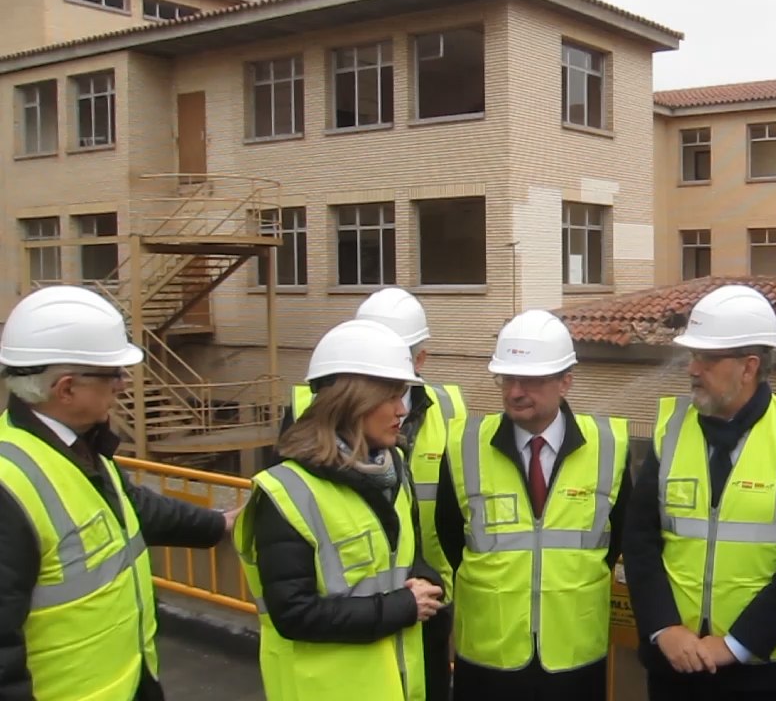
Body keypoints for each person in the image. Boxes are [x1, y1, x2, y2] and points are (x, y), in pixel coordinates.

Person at [0, 285, 238, 701]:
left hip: (131, 682)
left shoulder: (73, 445)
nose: (125, 384)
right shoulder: (10, 485)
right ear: (67, 388)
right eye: (113, 374)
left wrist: (216, 524)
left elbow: (128, 507)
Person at [623, 284, 776, 701]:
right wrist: (664, 628)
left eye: (707, 357)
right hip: (674, 663)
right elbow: (639, 541)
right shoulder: (670, 428)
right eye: (692, 355)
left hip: (762, 673)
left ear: (749, 367)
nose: (692, 368)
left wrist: (735, 644)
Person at [234, 319, 446, 701]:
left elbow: (405, 560)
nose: (402, 410)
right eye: (391, 397)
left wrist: (428, 583)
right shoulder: (285, 492)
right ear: (351, 402)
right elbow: (293, 613)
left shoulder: (393, 468)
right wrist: (401, 607)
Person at [434, 309, 632, 701]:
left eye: (530, 379)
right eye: (507, 378)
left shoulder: (609, 447)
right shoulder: (463, 445)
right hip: (489, 657)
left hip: (574, 656)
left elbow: (616, 538)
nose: (515, 391)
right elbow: (450, 534)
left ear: (566, 381)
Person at [294, 286, 466, 701]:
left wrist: (431, 584)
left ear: (420, 360)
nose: (398, 408)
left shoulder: (448, 407)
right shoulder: (305, 414)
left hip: (422, 599)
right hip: (350, 622)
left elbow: (451, 512)